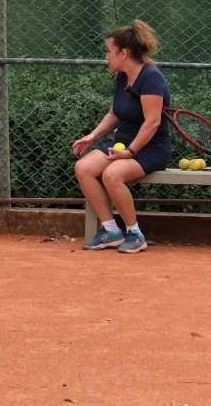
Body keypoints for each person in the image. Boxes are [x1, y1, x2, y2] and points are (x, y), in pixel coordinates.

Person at [71, 19, 172, 253]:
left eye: (109, 51)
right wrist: (93, 136)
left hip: (151, 148)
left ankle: (135, 234)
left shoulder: (151, 77)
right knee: (83, 168)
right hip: (123, 144)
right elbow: (115, 113)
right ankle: (111, 231)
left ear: (123, 53)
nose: (106, 56)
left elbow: (153, 122)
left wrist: (129, 152)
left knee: (112, 174)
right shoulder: (122, 77)